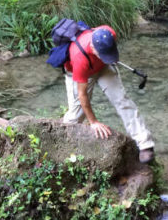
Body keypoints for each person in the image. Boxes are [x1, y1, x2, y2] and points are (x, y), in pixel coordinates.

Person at [63, 25, 155, 163]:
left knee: (122, 100)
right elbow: (83, 95)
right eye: (105, 54)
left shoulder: (109, 32)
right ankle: (65, 143)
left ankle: (145, 144)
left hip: (103, 67)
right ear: (93, 47)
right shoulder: (79, 57)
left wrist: (109, 57)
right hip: (79, 73)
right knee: (76, 116)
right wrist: (93, 122)